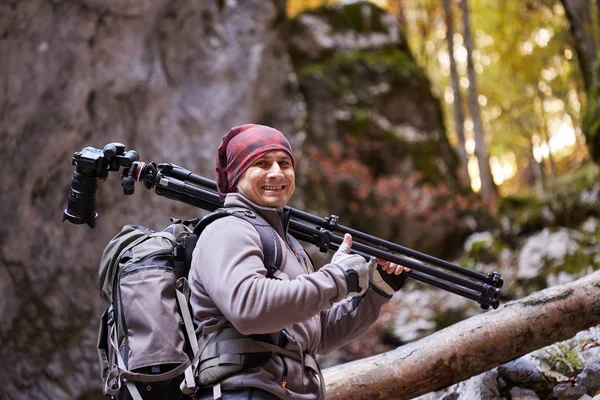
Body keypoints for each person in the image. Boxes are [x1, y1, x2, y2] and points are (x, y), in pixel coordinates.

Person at [189, 124, 409, 400]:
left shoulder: (287, 244)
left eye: (284, 163)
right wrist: (337, 277)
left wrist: (375, 291)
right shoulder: (227, 230)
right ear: (236, 175)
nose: (277, 173)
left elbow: (318, 335)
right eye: (261, 163)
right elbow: (248, 306)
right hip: (243, 393)